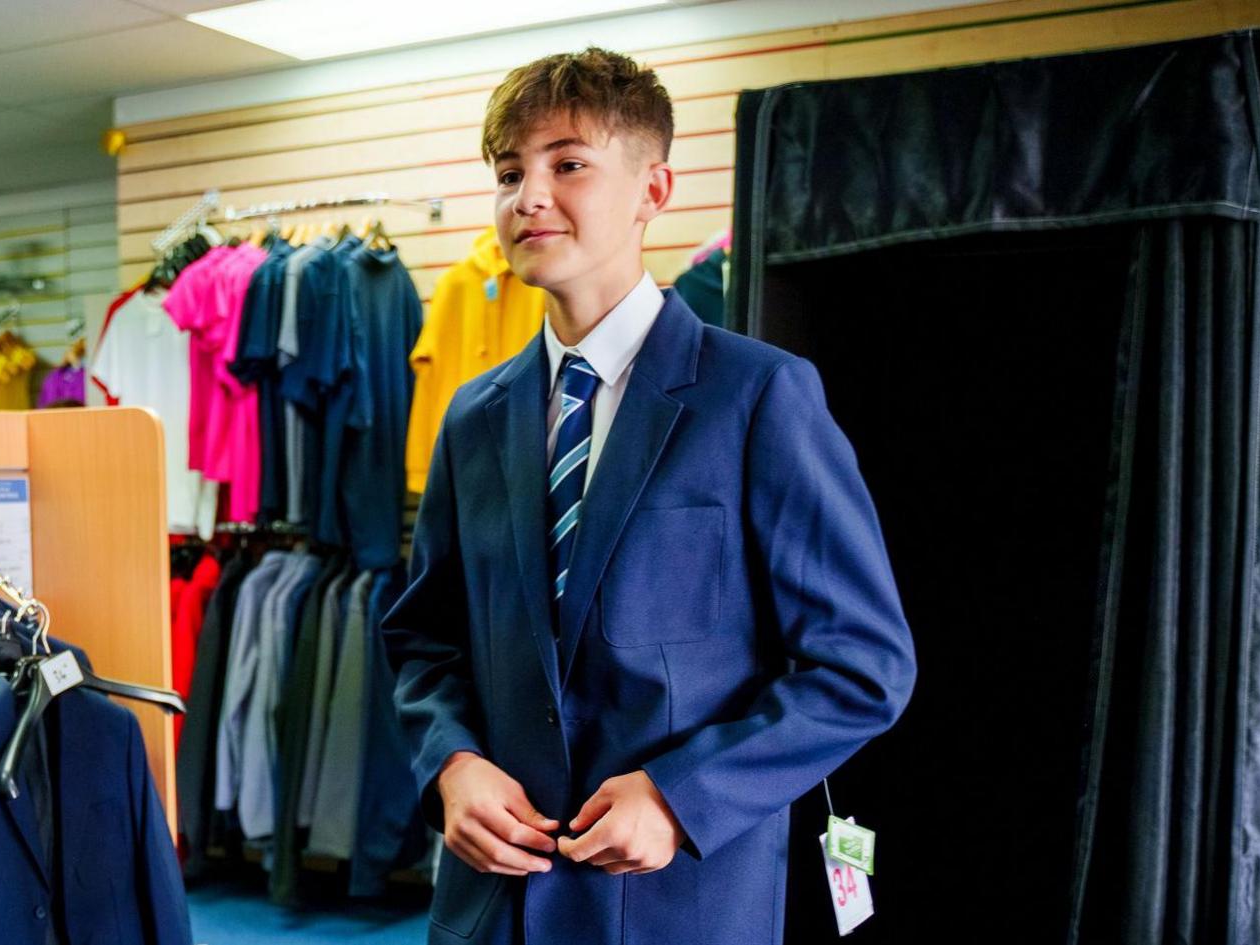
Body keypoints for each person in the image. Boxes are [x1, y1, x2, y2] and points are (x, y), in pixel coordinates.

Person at [380, 47, 917, 945]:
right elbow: (423, 636)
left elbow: (863, 666)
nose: (528, 196)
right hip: (489, 908)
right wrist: (452, 762)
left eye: (568, 163)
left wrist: (681, 796)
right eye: (509, 172)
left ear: (653, 190)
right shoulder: (473, 416)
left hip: (676, 904)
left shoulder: (756, 397)